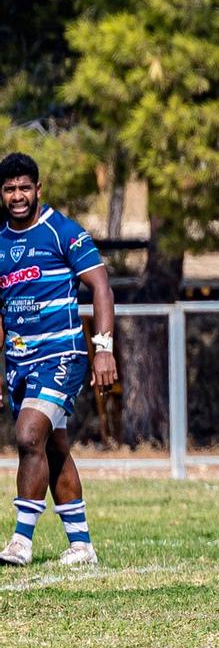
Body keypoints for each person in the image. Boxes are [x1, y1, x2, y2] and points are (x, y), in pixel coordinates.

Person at [0, 152, 116, 568]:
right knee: (53, 448)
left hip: (62, 356)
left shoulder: (61, 230)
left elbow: (101, 286)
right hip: (19, 363)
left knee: (29, 435)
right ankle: (81, 545)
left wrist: (103, 348)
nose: (17, 195)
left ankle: (20, 541)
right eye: (10, 188)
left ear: (38, 189)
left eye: (24, 187)